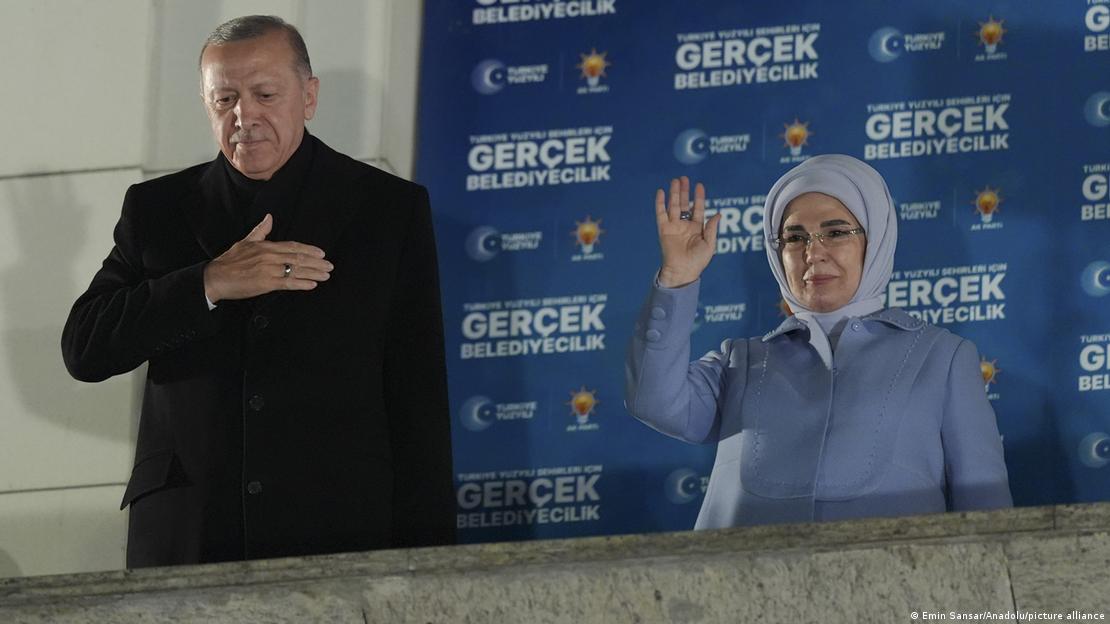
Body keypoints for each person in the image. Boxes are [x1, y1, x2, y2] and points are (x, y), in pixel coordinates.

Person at [61, 15, 455, 567]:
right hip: (188, 537)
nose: (245, 116)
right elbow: (84, 347)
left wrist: (431, 568)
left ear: (309, 95)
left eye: (265, 94)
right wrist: (209, 281)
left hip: (341, 531)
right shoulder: (157, 209)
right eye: (224, 99)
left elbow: (418, 401)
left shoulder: (388, 210)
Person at [625, 155, 1012, 528]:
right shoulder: (740, 362)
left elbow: (987, 517)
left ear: (874, 240)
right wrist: (678, 277)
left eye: (836, 232)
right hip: (744, 589)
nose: (813, 253)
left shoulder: (942, 357)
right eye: (794, 238)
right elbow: (653, 400)